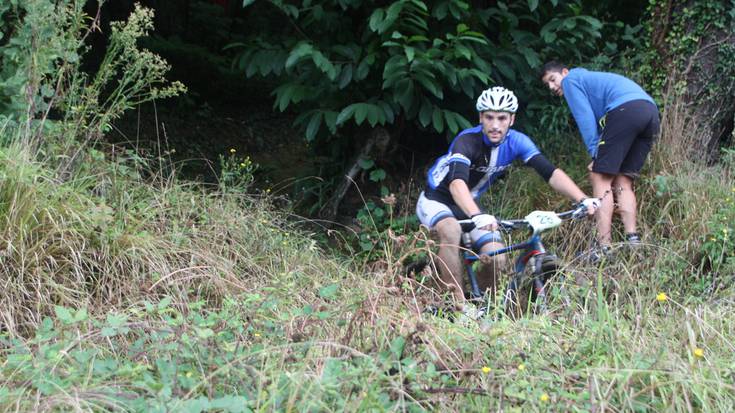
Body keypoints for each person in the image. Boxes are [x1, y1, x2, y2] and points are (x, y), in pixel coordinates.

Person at [416, 86, 599, 311]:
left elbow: (549, 172)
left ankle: (484, 306)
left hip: (469, 203)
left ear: (511, 119)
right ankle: (457, 306)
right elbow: (456, 184)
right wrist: (477, 215)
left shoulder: (518, 142)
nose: (495, 125)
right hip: (437, 199)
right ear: (480, 118)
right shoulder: (467, 141)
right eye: (489, 117)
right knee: (451, 230)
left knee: (496, 258)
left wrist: (583, 199)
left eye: (502, 118)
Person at [540, 62, 660, 253]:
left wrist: (596, 155)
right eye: (548, 85)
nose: (552, 87)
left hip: (625, 110)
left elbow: (585, 119)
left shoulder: (571, 81)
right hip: (650, 112)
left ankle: (603, 248)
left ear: (565, 72)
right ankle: (633, 241)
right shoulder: (589, 80)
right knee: (623, 180)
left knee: (599, 176)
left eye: (553, 80)